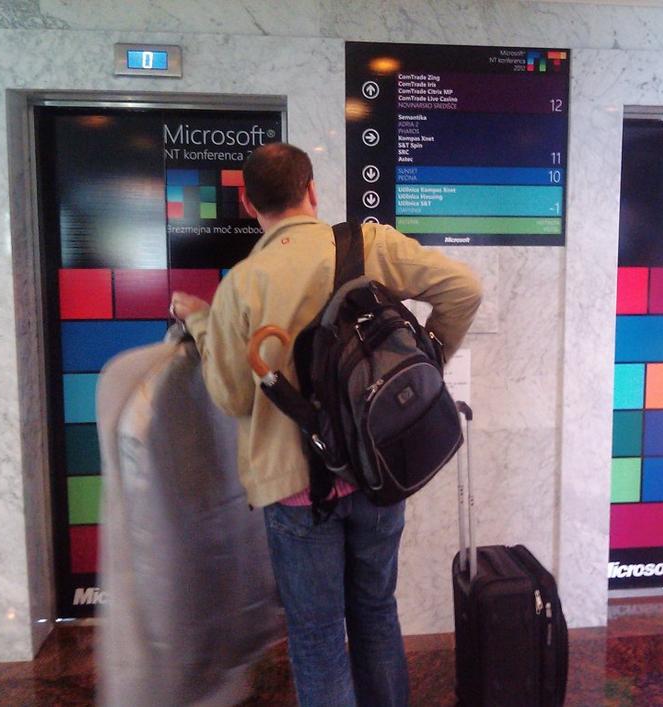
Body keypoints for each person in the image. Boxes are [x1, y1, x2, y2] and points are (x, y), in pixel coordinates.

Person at [171, 142, 482, 707]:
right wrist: (428, 361)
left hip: (296, 492)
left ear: (249, 204)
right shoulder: (369, 245)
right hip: (378, 470)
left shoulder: (243, 284)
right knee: (376, 611)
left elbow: (233, 397)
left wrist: (202, 323)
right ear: (311, 191)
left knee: (317, 637)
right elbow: (465, 289)